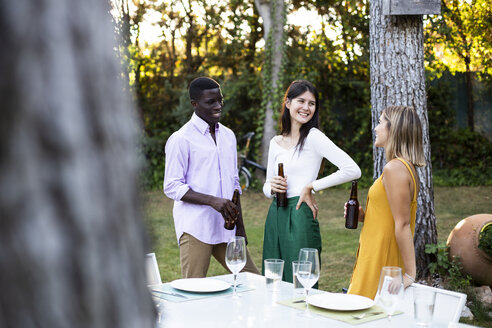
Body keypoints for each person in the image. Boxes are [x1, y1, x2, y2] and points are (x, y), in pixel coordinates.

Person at [262, 80, 361, 283]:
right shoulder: (275, 142)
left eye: (312, 103)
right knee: (273, 279)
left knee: (301, 281)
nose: (306, 108)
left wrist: (311, 186)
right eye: (301, 101)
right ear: (288, 103)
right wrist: (270, 187)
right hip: (275, 215)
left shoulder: (314, 137)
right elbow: (266, 186)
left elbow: (353, 170)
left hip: (300, 213)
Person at [163, 77, 259, 278]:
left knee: (254, 282)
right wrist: (213, 201)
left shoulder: (228, 136)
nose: (218, 106)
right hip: (196, 228)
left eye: (220, 100)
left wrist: (240, 228)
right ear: (194, 104)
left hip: (227, 229)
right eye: (211, 102)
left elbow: (234, 183)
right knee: (194, 292)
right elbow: (171, 186)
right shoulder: (181, 139)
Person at [347, 105, 425, 299]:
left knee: (364, 312)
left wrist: (409, 274)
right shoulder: (402, 166)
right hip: (373, 251)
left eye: (381, 122)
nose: (376, 128)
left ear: (393, 129)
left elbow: (403, 223)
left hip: (381, 257)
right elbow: (390, 214)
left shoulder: (395, 168)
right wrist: (363, 215)